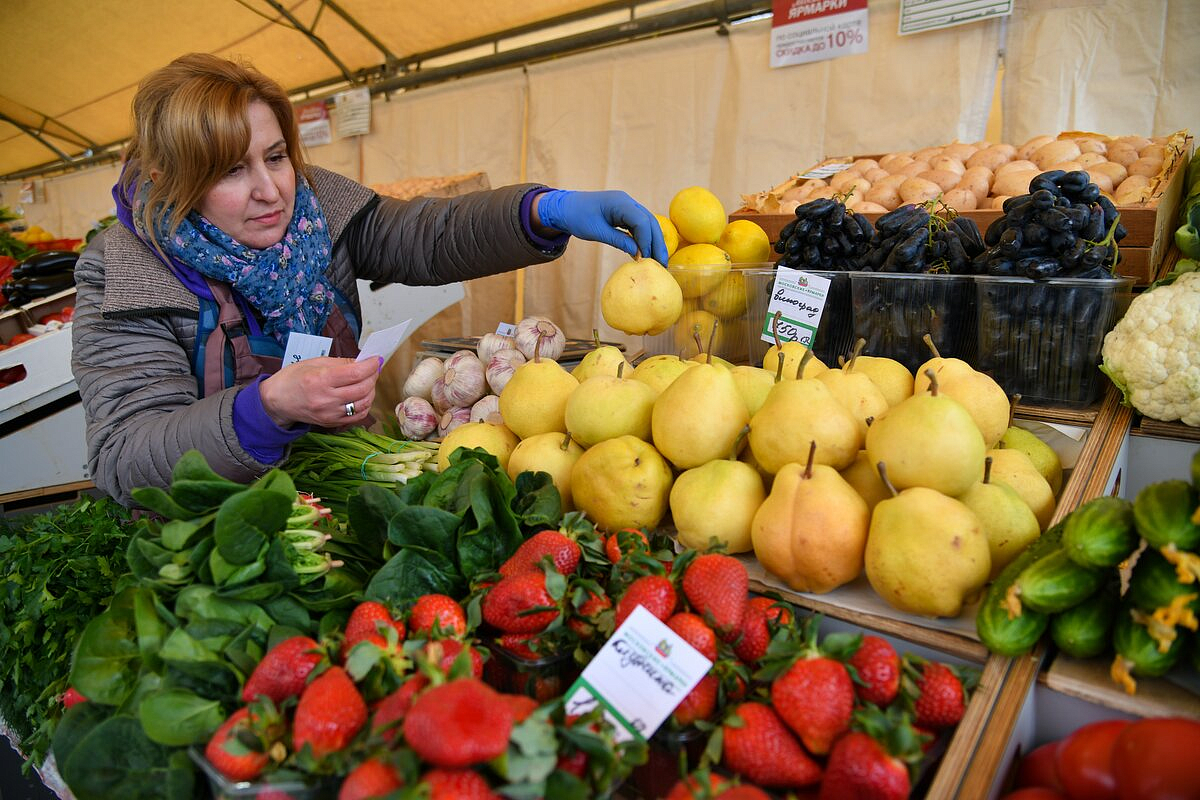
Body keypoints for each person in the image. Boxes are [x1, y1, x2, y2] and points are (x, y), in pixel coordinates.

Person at [72, 53, 667, 506]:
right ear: (168, 177)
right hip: (219, 543)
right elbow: (127, 454)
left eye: (276, 157)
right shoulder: (124, 272)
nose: (270, 190)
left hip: (353, 491)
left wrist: (542, 211)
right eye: (231, 169)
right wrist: (269, 405)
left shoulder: (317, 207)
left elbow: (429, 234)